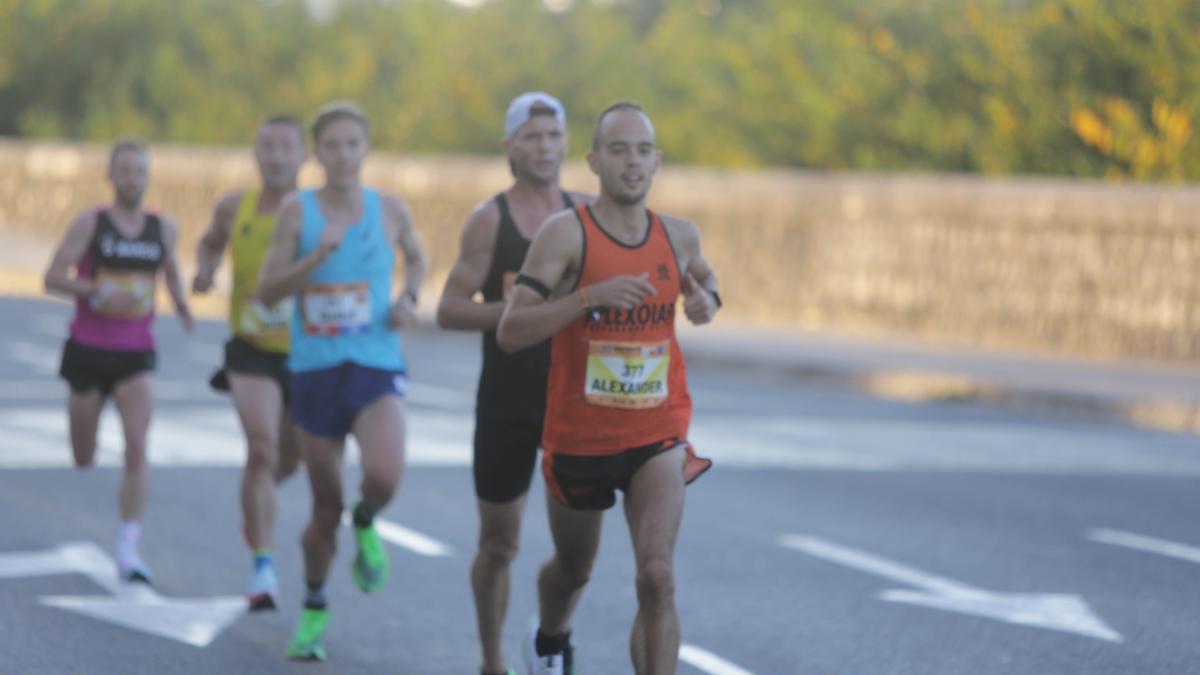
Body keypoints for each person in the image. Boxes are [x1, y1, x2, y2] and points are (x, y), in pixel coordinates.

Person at [497, 101, 719, 675]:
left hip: (657, 429)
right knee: (574, 570)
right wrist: (586, 299)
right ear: (594, 160)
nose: (633, 161)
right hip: (580, 438)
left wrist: (706, 301)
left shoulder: (679, 235)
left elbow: (706, 280)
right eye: (619, 149)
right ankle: (549, 635)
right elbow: (511, 331)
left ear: (658, 160)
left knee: (657, 575)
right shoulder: (564, 235)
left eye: (644, 150)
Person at [256, 100, 428, 662]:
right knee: (323, 510)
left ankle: (369, 518)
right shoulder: (296, 213)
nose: (343, 155)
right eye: (332, 145)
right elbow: (269, 291)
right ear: (316, 153)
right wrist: (317, 256)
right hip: (313, 371)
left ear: (366, 149)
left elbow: (418, 259)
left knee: (384, 473)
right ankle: (313, 606)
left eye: (353, 143)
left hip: (375, 362)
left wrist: (407, 299)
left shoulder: (389, 209)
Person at [436, 92, 591, 675]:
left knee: (577, 557)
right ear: (509, 147)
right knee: (499, 545)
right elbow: (449, 308)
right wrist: (516, 315)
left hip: (576, 402)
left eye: (553, 135)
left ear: (567, 143)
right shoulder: (489, 219)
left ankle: (553, 637)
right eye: (532, 136)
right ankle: (493, 660)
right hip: (506, 401)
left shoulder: (587, 215)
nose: (545, 147)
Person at [43, 138, 193, 583]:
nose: (132, 179)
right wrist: (94, 290)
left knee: (137, 446)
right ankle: (85, 443)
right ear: (110, 177)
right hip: (87, 350)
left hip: (135, 352)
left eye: (139, 171)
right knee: (83, 456)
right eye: (124, 171)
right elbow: (52, 277)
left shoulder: (163, 228)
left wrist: (182, 305)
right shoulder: (90, 224)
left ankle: (129, 545)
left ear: (148, 177)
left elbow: (171, 273)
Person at [191, 115, 307, 610]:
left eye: (286, 148)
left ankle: (254, 505)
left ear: (304, 155)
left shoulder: (317, 211)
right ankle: (263, 567)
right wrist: (205, 268)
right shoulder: (233, 207)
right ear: (256, 154)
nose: (276, 157)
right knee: (261, 450)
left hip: (305, 351)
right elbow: (211, 240)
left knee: (289, 459)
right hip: (251, 348)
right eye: (267, 147)